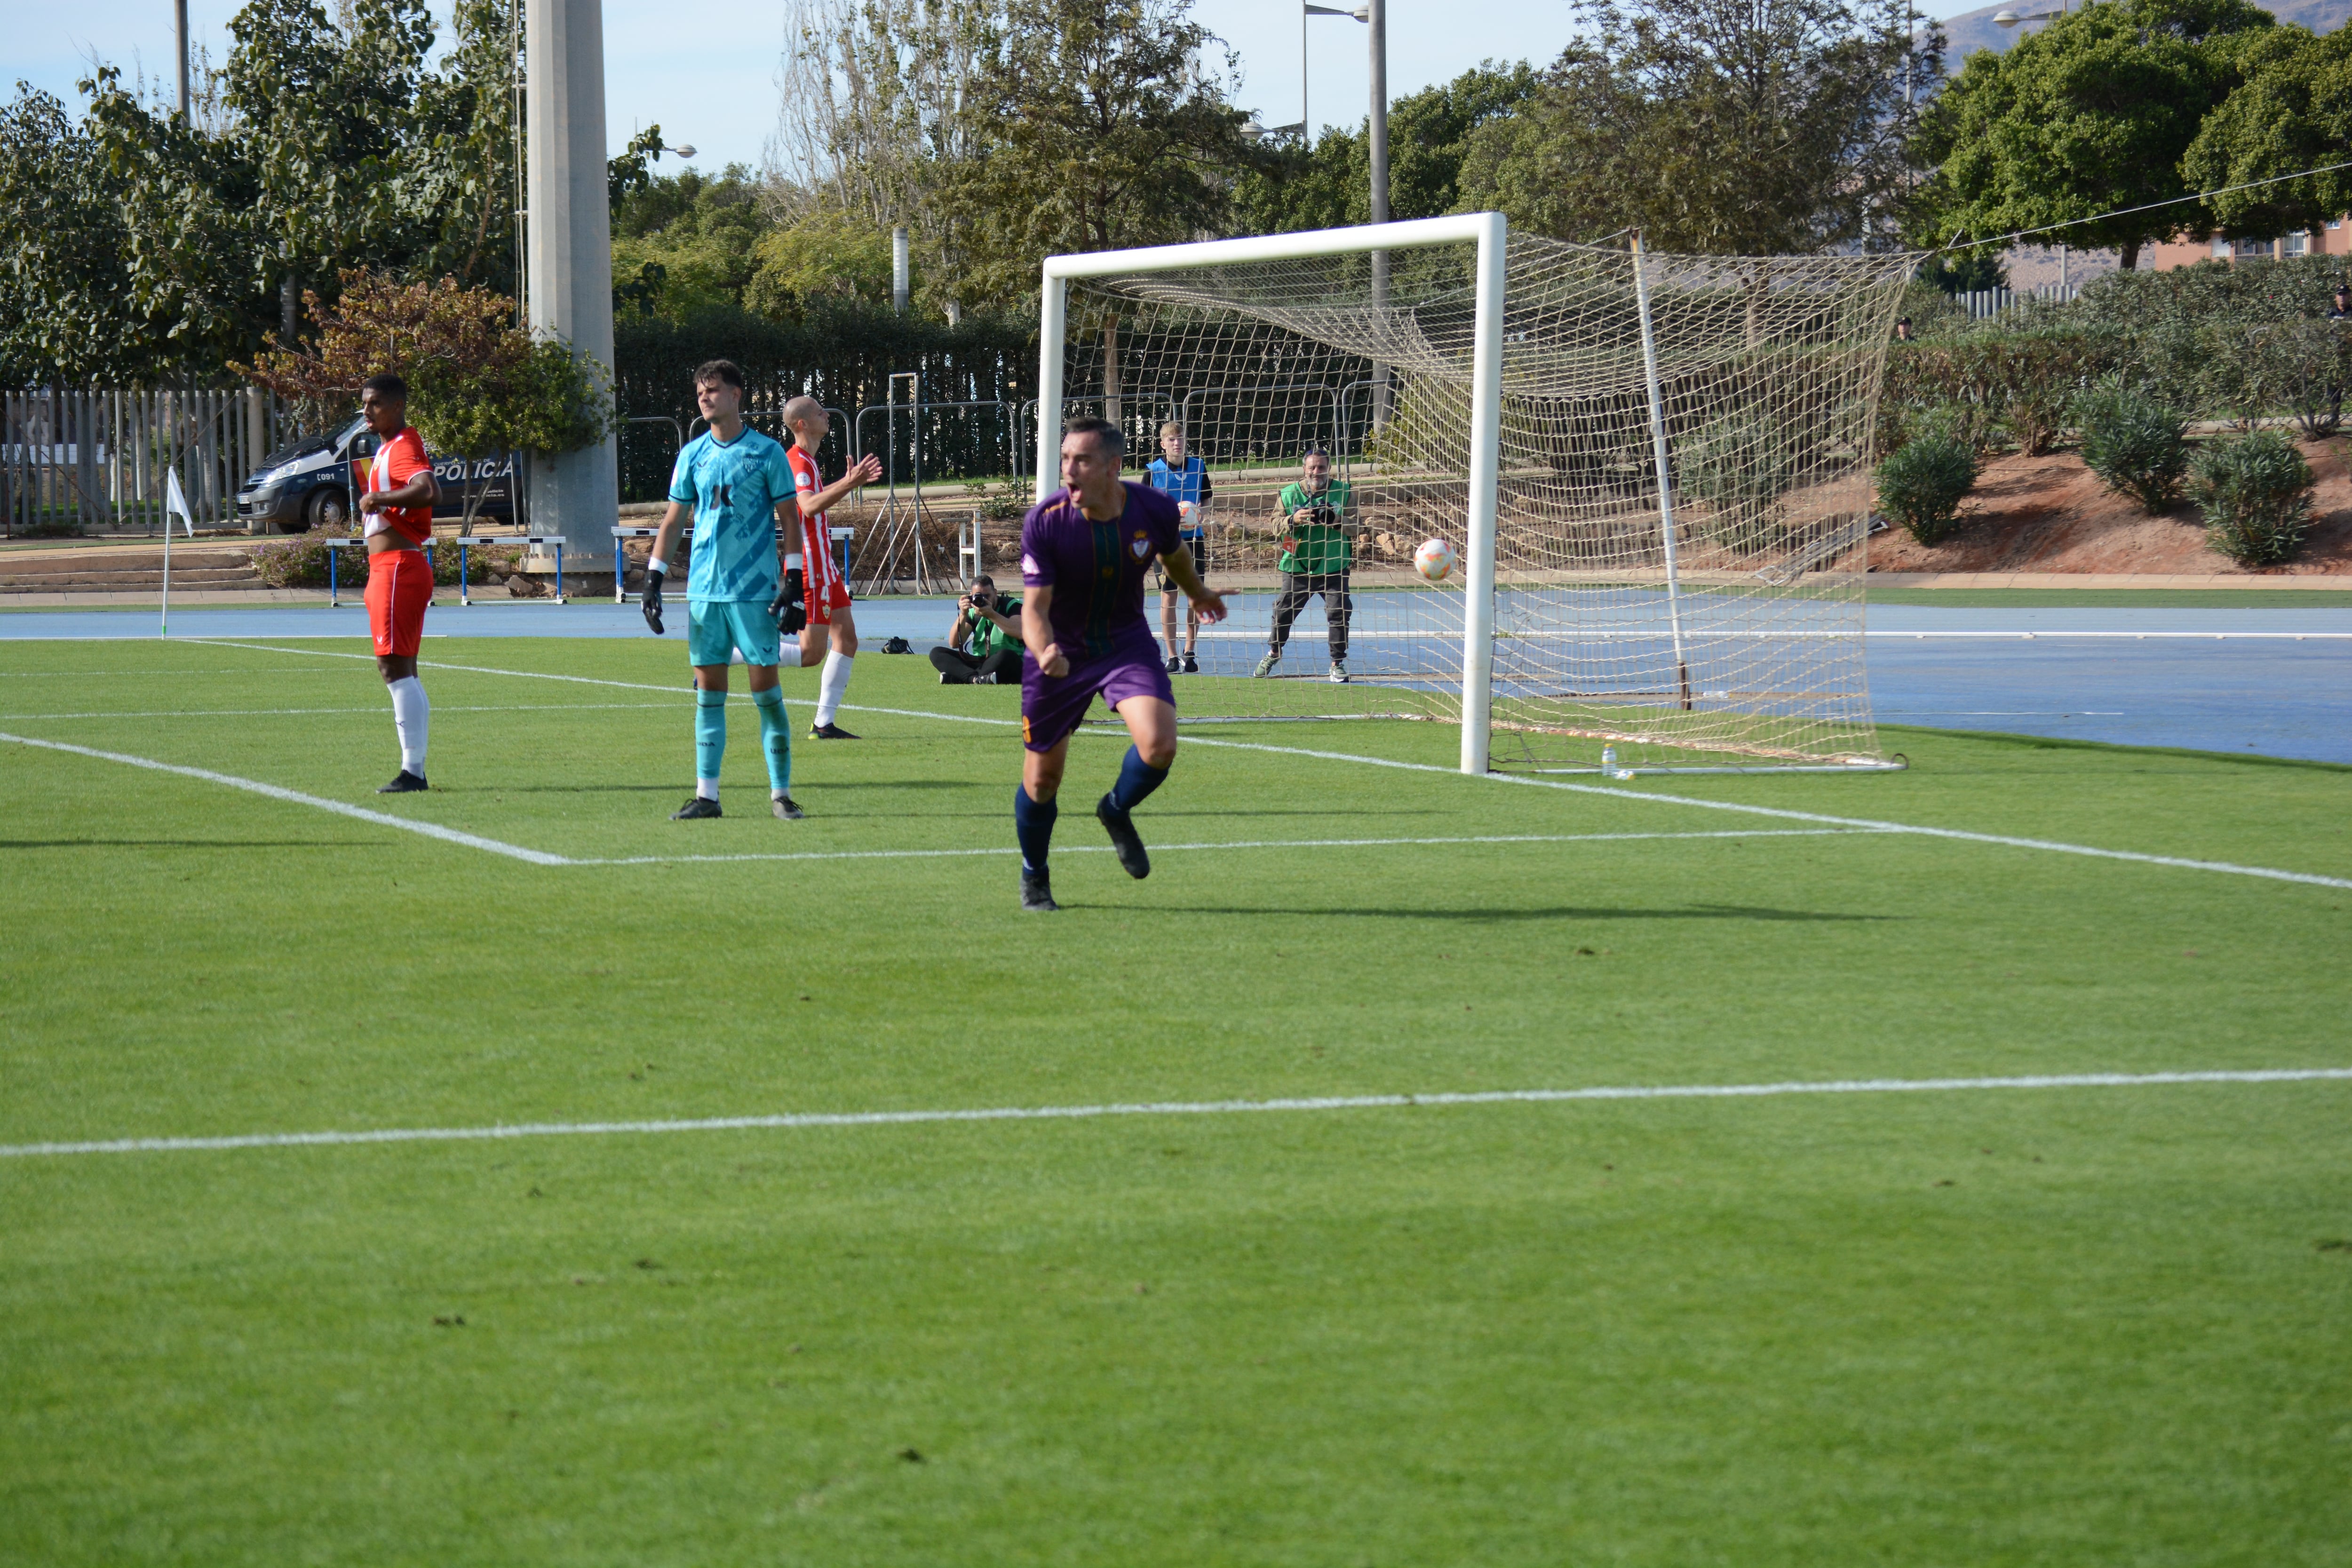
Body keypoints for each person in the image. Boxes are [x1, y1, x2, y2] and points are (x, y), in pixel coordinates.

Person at [1014, 417, 1227, 912]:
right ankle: (1035, 874)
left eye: (1081, 460)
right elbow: (1033, 610)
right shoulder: (1044, 521)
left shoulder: (1152, 508)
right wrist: (1044, 650)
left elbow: (1172, 556)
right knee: (1042, 780)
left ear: (1113, 467)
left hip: (1124, 643)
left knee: (1159, 744)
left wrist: (1197, 594)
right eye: (1065, 458)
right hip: (1060, 651)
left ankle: (1115, 809)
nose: (1068, 470)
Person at [641, 360, 828, 820]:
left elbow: (790, 520)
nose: (705, 398)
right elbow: (673, 521)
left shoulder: (765, 454)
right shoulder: (691, 455)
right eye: (700, 392)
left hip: (753, 594)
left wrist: (794, 583)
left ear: (736, 395)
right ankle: (708, 796)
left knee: (766, 691)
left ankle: (781, 796)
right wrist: (653, 577)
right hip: (704, 594)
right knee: (708, 694)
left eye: (713, 391)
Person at [354, 372, 442, 794]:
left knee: (393, 666)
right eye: (365, 404)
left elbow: (428, 491)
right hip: (391, 568)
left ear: (397, 406)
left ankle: (412, 772)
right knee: (402, 667)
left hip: (397, 568)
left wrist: (377, 499)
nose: (366, 411)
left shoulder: (403, 445)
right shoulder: (391, 446)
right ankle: (416, 770)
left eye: (374, 403)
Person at [781, 396, 883, 739]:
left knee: (848, 639)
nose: (827, 415)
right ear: (802, 424)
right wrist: (849, 483)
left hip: (826, 567)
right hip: (812, 567)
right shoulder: (797, 462)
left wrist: (845, 482)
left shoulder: (809, 461)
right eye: (819, 412)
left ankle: (823, 724)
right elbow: (808, 507)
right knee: (811, 653)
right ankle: (731, 652)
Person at [1253, 447, 1356, 684]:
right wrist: (1293, 519)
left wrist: (1336, 521)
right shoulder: (1289, 494)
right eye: (1312, 467)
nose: (1316, 472)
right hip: (1297, 566)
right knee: (1282, 613)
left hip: (1333, 565)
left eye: (1321, 467)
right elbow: (1274, 525)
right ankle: (1274, 653)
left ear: (1329, 469)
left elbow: (1358, 526)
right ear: (1304, 469)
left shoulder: (1344, 492)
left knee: (1339, 612)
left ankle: (1337, 664)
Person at [1144, 421, 1212, 672]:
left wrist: (1200, 514)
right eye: (1171, 439)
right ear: (1163, 444)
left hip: (1194, 540)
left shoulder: (1198, 466)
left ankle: (1190, 651)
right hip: (1165, 544)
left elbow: (1206, 497)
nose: (1177, 443)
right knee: (1168, 597)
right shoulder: (1153, 472)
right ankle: (1172, 655)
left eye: (1180, 438)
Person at [930, 573, 1025, 684]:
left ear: (995, 593)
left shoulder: (1011, 605)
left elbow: (1019, 632)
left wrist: (992, 615)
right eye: (979, 597)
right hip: (981, 662)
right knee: (936, 653)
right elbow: (954, 643)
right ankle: (977, 679)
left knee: (1005, 655)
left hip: (1008, 661)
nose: (983, 600)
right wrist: (963, 614)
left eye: (987, 596)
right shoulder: (973, 611)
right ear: (971, 596)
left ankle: (962, 677)